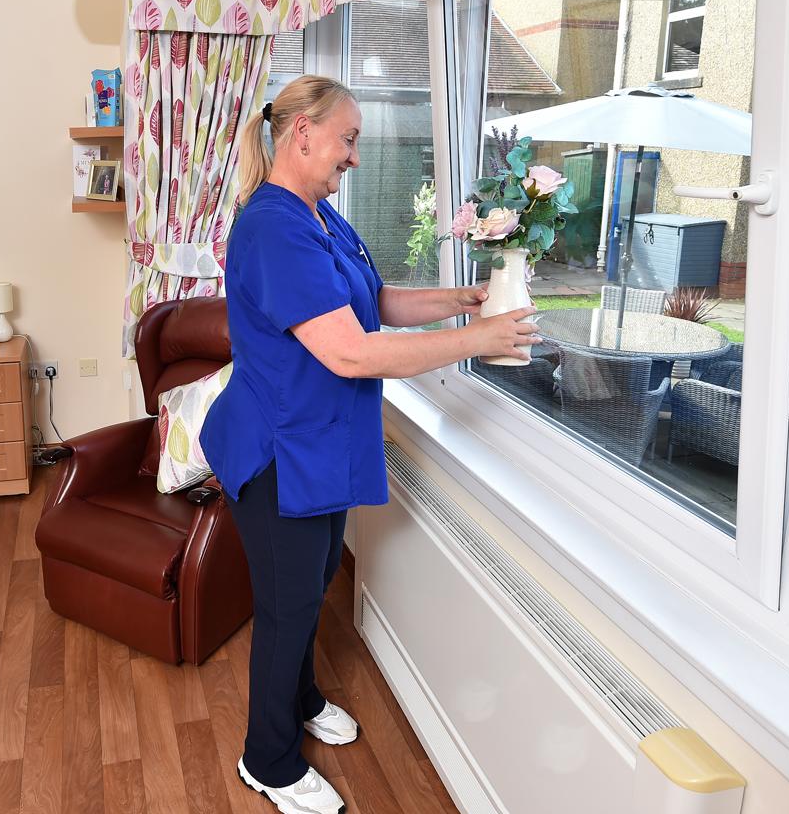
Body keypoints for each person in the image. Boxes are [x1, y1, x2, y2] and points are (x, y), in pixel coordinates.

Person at [200, 75, 538, 814]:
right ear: (303, 135)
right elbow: (350, 352)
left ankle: (304, 697)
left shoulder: (322, 218)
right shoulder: (272, 227)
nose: (354, 157)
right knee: (288, 604)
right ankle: (269, 758)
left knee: (313, 583)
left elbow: (372, 301)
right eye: (349, 140)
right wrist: (473, 341)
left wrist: (460, 301)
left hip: (317, 445)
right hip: (278, 451)